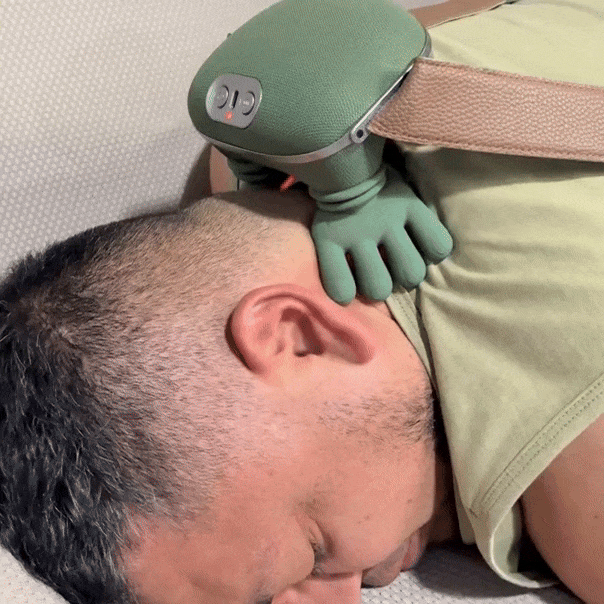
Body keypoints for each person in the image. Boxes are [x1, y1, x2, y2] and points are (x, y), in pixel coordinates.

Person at [1, 2, 604, 604]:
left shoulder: (583, 507)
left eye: (314, 553)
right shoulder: (256, 133)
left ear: (301, 337)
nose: (342, 599)